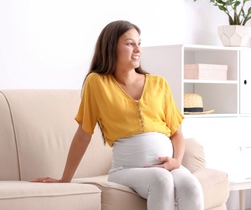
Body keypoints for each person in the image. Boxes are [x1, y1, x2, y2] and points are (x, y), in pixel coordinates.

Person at [32, 20, 204, 210]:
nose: (137, 49)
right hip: (126, 170)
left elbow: (176, 133)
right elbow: (83, 133)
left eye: (139, 43)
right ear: (111, 47)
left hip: (167, 166)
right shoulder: (96, 83)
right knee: (161, 179)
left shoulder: (159, 83)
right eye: (130, 43)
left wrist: (177, 162)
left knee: (192, 185)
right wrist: (65, 179)